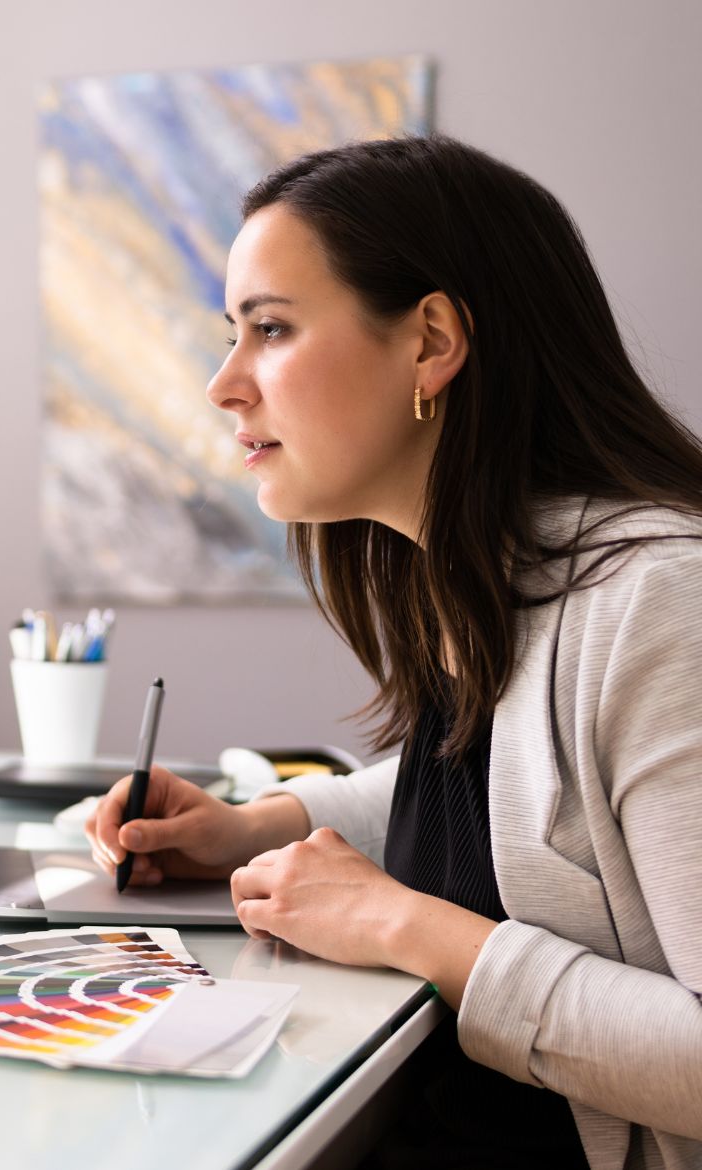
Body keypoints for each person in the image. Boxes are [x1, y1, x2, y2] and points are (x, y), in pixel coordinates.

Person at [85, 135, 702, 1169]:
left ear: (430, 343)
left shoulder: (660, 605)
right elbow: (506, 802)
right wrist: (257, 826)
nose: (223, 384)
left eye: (270, 329)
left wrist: (404, 928)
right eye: (232, 336)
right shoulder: (487, 576)